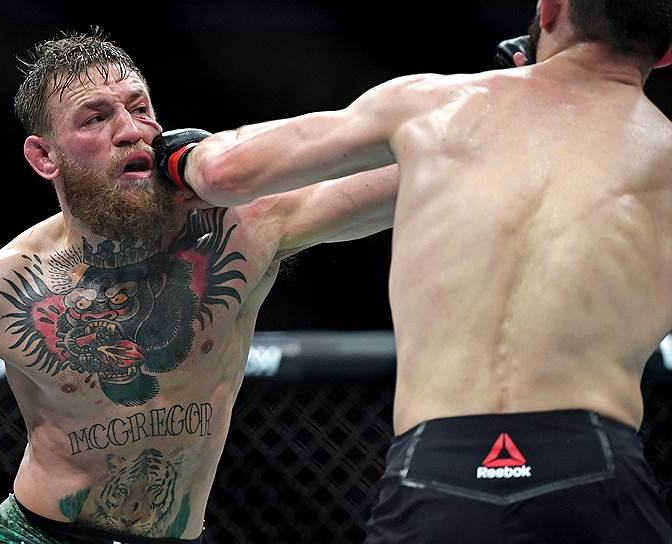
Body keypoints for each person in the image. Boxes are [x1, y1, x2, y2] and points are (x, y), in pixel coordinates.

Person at [0, 29, 400, 544]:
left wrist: (472, 111)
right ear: (44, 157)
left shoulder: (245, 227)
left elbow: (413, 176)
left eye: (140, 109)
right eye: (95, 118)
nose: (132, 131)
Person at [157, 0, 672, 541]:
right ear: (665, 55)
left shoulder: (435, 104)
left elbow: (224, 171)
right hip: (591, 465)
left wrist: (180, 157)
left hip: (436, 468)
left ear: (549, 11)